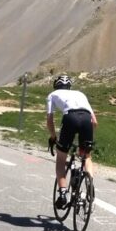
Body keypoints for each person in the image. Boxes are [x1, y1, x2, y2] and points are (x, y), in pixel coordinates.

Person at [46, 74, 97, 210]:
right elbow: (95, 122)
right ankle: (90, 181)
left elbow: (50, 120)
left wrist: (53, 137)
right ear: (70, 87)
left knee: (61, 159)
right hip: (86, 119)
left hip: (70, 118)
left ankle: (63, 194)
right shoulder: (80, 94)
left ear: (56, 86)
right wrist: (86, 144)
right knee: (86, 157)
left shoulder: (52, 95)